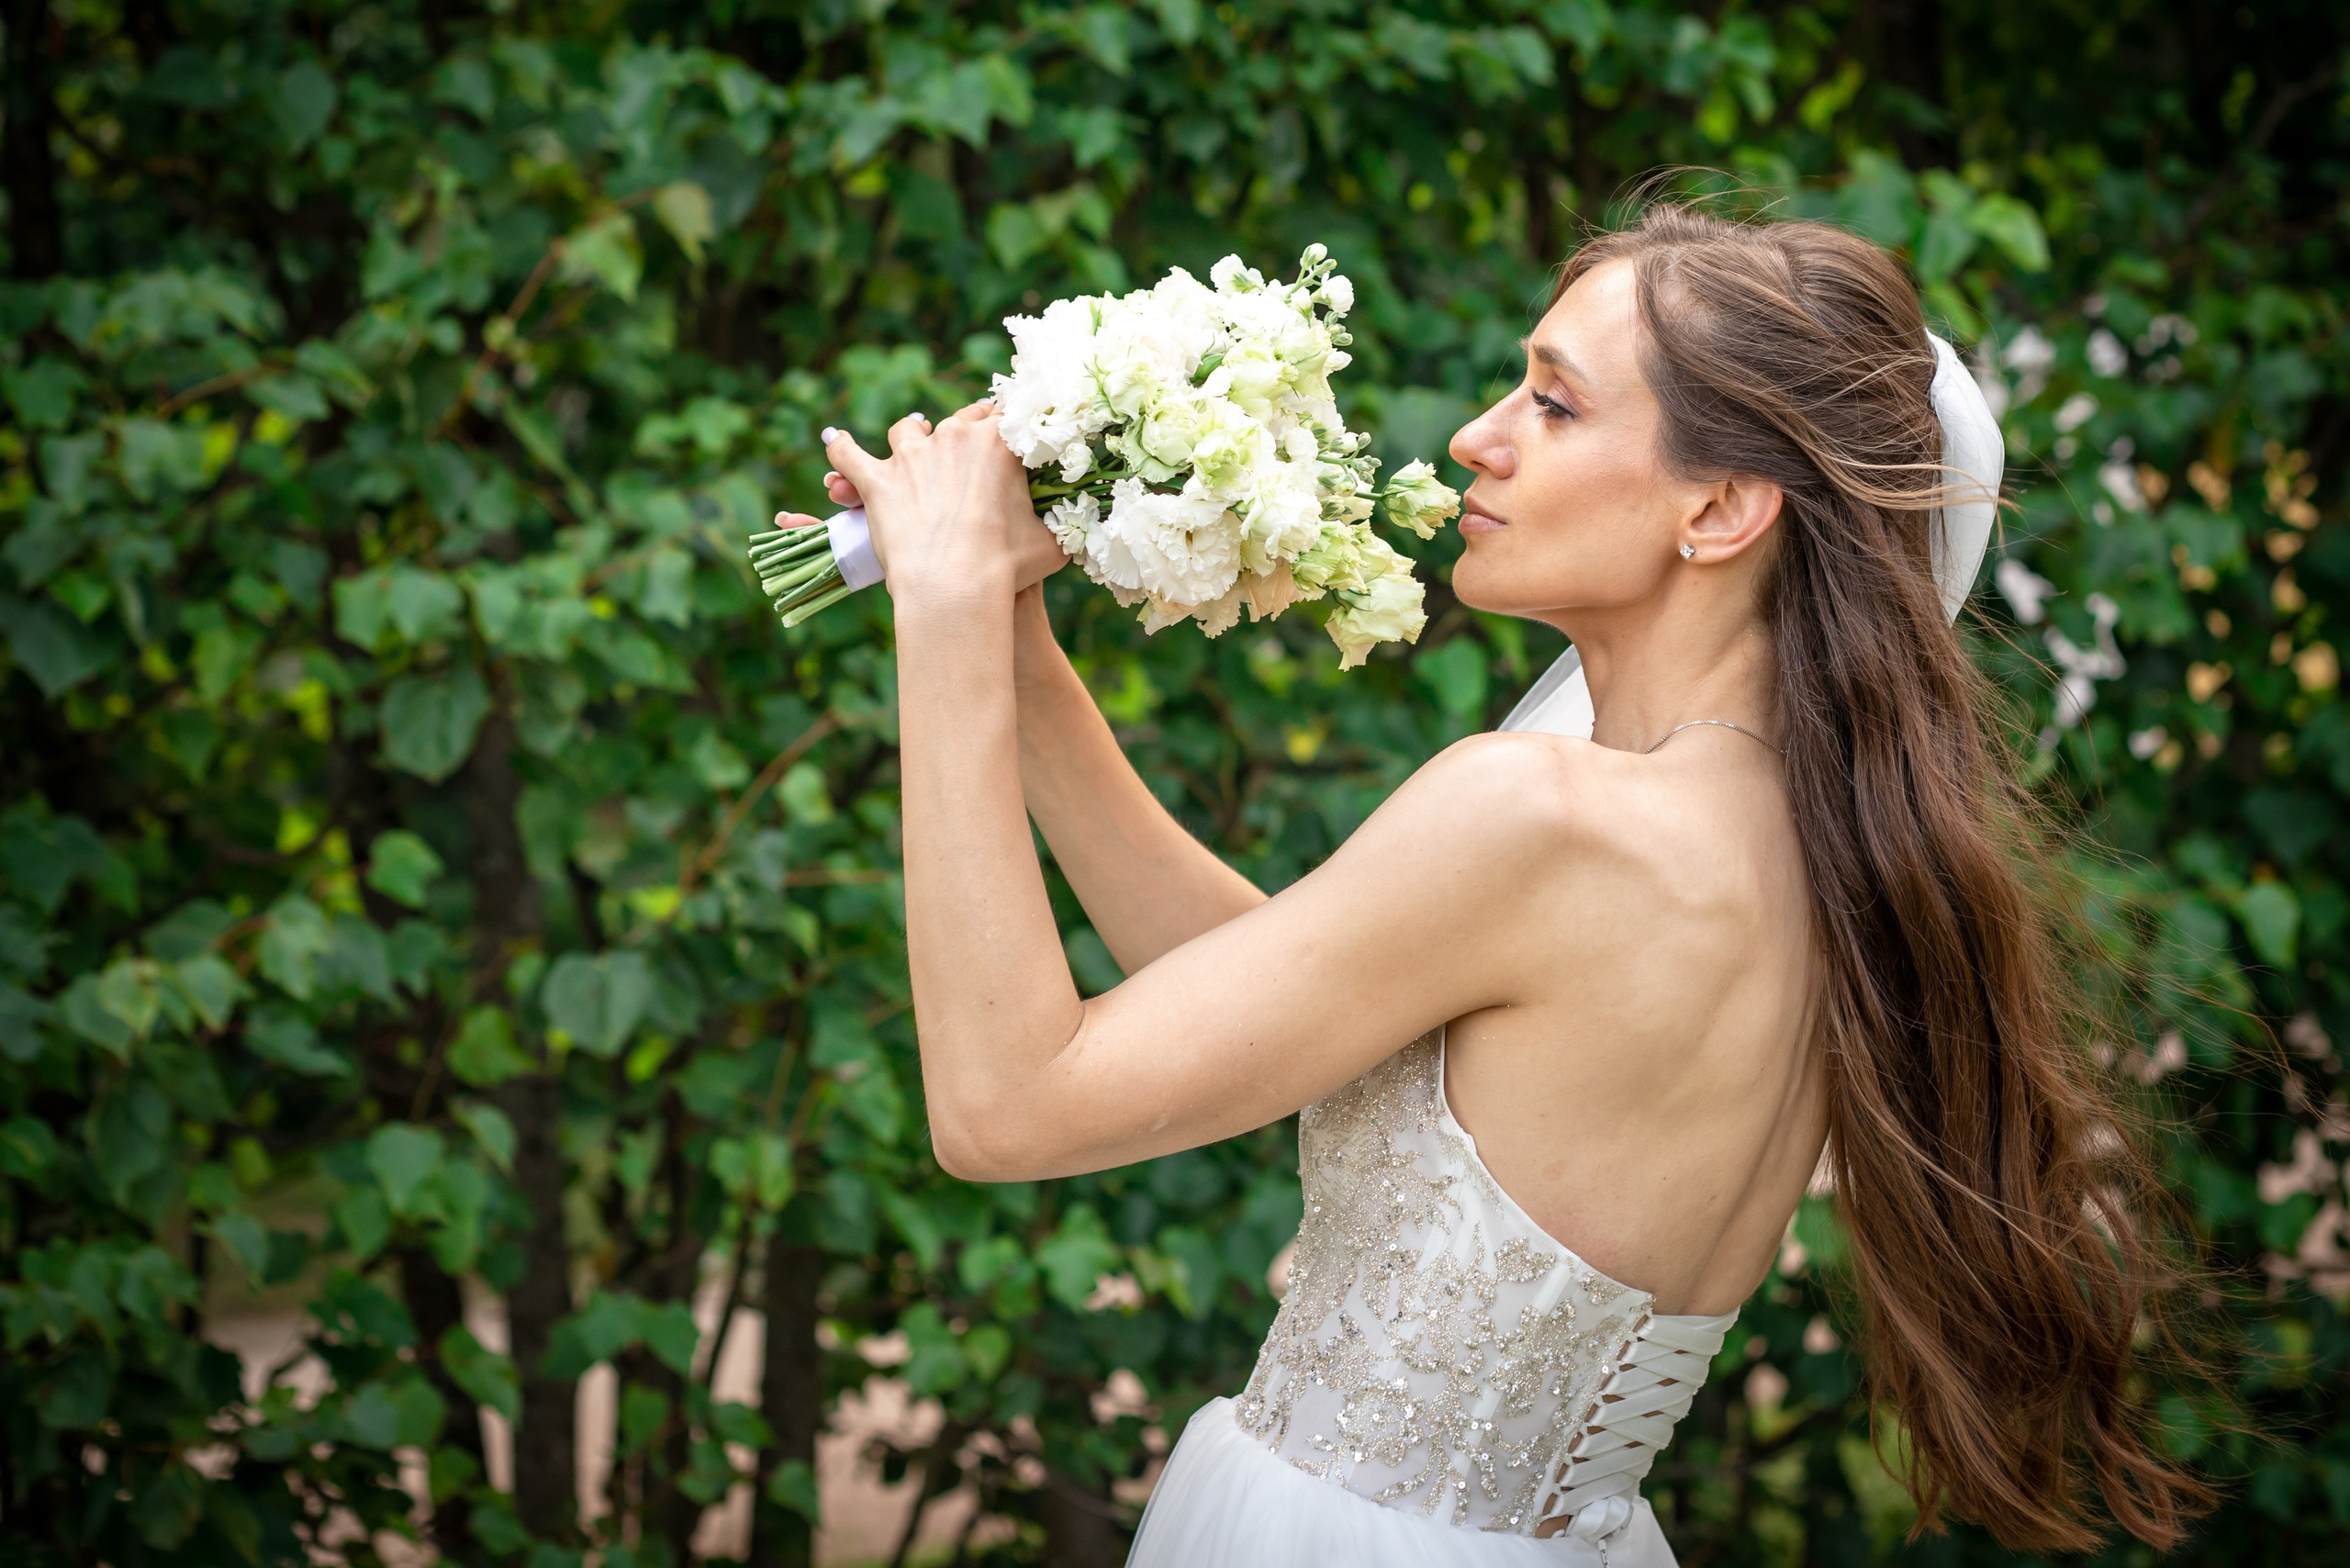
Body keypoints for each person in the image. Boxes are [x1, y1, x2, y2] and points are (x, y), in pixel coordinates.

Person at [783, 205, 2208, 1564]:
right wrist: (1020, 642)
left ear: (1717, 510)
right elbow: (1292, 1001)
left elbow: (1003, 1106)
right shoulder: (1805, 842)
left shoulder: (1544, 816)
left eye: (1554, 403)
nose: (1479, 437)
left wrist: (949, 609)